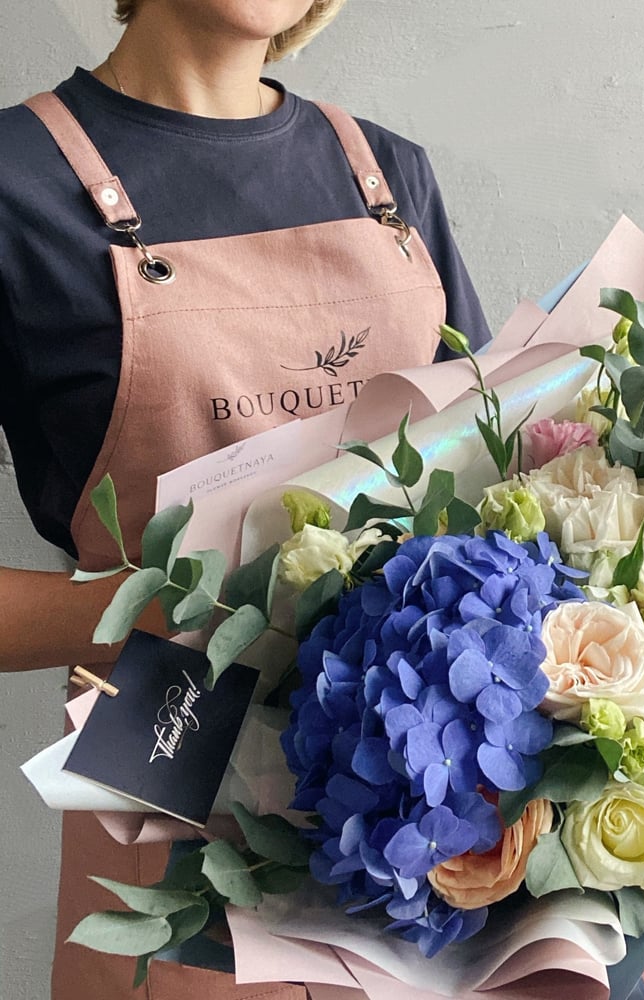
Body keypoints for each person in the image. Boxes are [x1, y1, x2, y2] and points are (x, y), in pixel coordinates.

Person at [0, 1, 490, 996]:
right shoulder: (14, 183)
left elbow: (498, 488)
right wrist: (180, 610)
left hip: (429, 799)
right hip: (166, 759)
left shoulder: (389, 177)